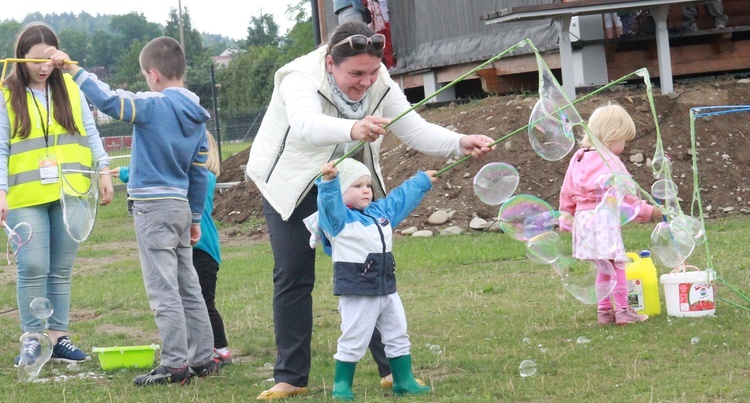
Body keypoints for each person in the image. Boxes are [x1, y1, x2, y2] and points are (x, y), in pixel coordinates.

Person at [246, 20, 495, 400]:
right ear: (330, 63)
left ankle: (390, 371)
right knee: (294, 274)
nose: (366, 81)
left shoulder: (380, 80)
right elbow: (305, 125)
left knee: (370, 265)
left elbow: (413, 128)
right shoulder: (298, 77)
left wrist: (460, 141)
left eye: (373, 72)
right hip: (292, 183)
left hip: (350, 183)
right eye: (355, 73)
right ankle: (291, 376)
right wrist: (352, 128)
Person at [49, 36, 219, 385]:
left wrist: (73, 69)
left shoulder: (154, 105)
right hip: (181, 207)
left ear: (153, 75)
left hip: (153, 209)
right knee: (189, 287)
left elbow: (110, 100)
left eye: (144, 76)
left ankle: (175, 365)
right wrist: (197, 217)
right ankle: (203, 359)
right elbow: (199, 174)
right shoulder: (198, 118)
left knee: (163, 289)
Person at [0, 22, 114, 368]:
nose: (43, 67)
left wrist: (104, 169)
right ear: (20, 59)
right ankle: (32, 339)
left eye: (50, 59)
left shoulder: (70, 87)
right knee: (33, 265)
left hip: (71, 191)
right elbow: (1, 146)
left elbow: (90, 131)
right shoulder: (6, 93)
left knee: (61, 269)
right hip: (25, 196)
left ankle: (58, 338)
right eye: (35, 60)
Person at [312, 158, 433, 399]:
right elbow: (328, 203)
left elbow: (400, 199)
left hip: (387, 288)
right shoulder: (338, 220)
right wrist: (329, 182)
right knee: (354, 337)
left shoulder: (380, 213)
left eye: (367, 185)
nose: (366, 190)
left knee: (398, 332)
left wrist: (422, 181)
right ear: (341, 190)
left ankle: (404, 380)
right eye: (357, 186)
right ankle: (341, 386)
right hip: (358, 290)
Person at [112, 133, 232, 367]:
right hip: (194, 245)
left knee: (204, 301)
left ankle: (220, 349)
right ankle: (200, 348)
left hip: (201, 248)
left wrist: (128, 173)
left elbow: (173, 182)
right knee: (192, 298)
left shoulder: (202, 178)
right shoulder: (198, 176)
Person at [558, 103, 662, 326]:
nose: (624, 146)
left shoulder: (578, 157)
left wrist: (565, 217)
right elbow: (626, 196)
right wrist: (649, 211)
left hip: (584, 221)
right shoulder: (609, 160)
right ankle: (623, 311)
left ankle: (604, 313)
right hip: (603, 219)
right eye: (623, 140)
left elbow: (566, 190)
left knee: (604, 267)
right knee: (618, 265)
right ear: (611, 136)